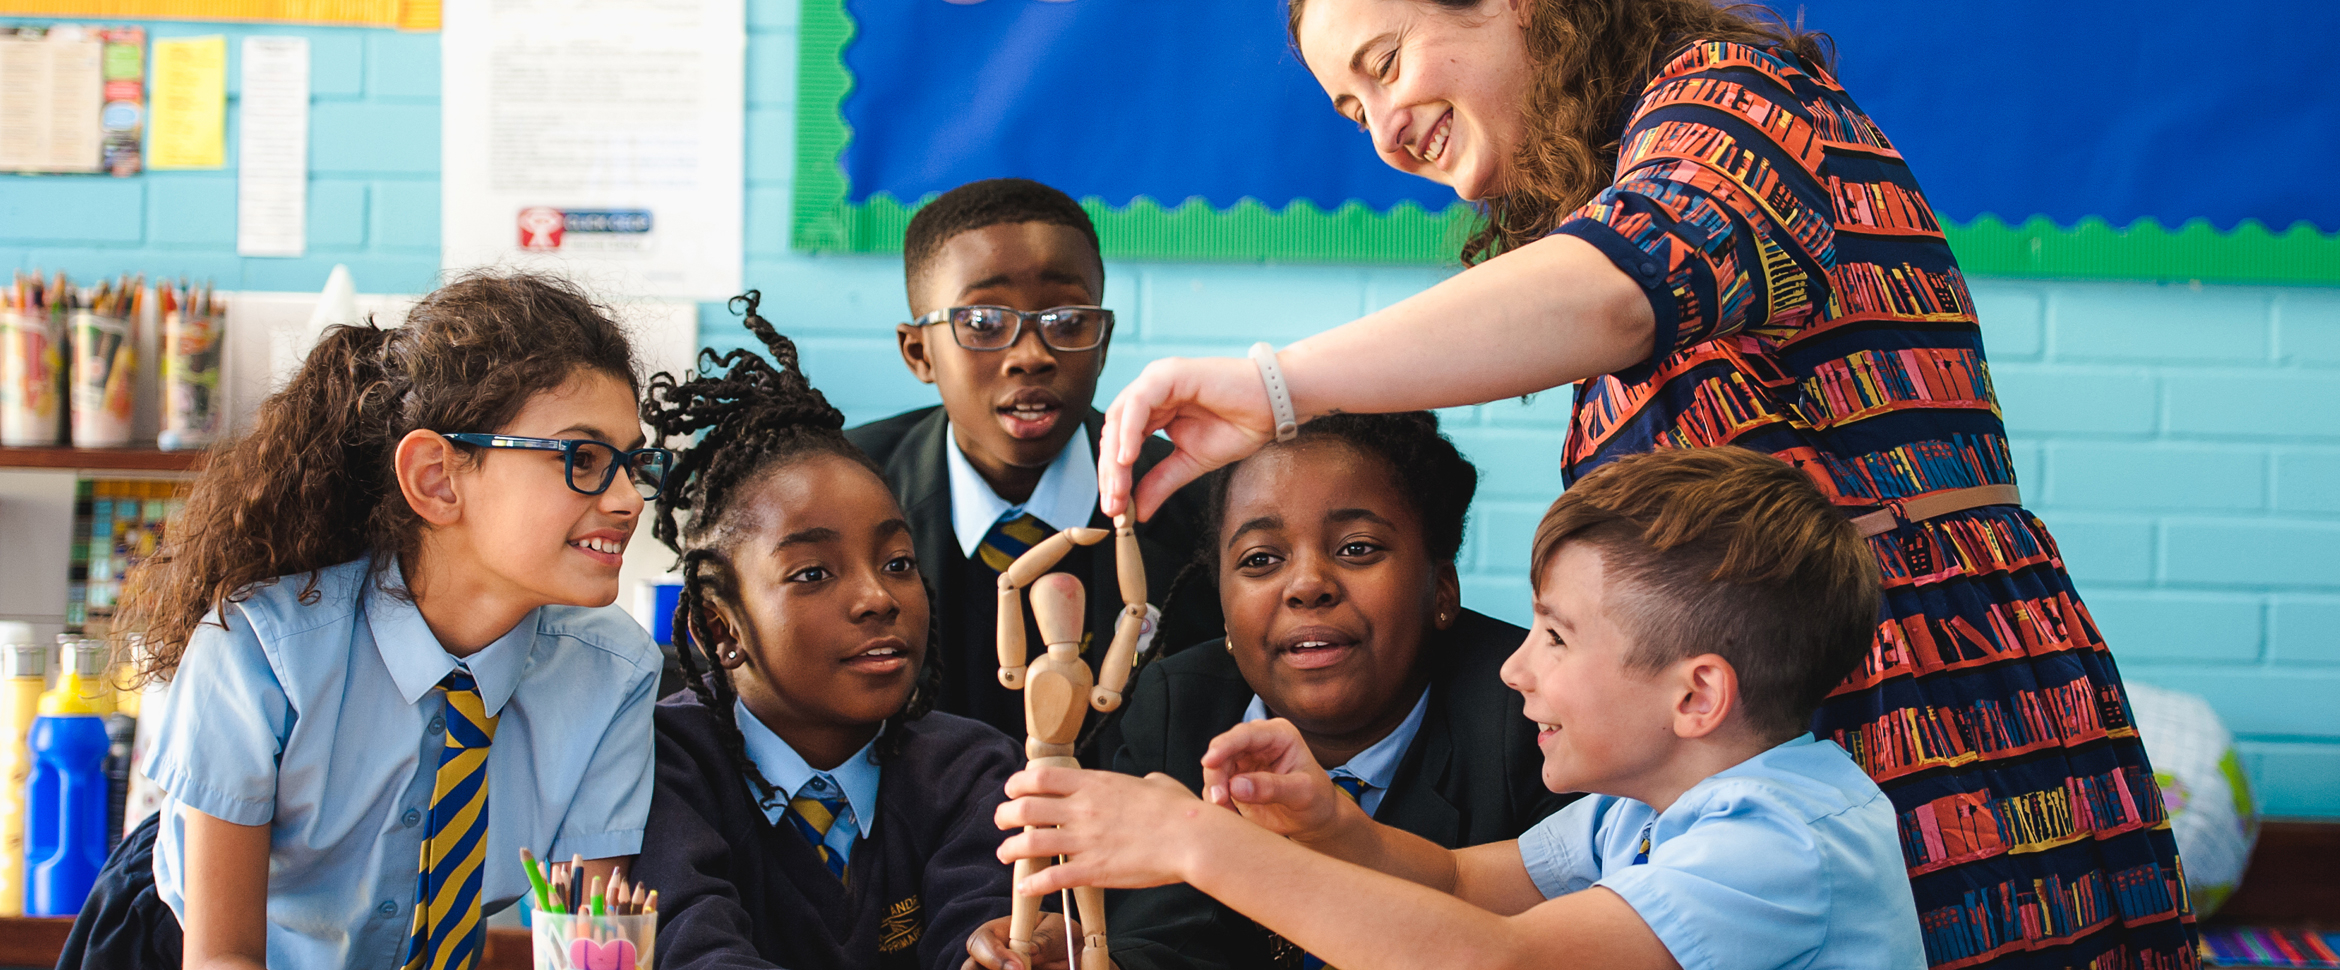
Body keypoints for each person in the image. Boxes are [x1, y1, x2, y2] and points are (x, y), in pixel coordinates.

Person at [1091, 2, 2197, 965]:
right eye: (1349, 109)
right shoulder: (1673, 801)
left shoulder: (1738, 102)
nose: (1382, 130)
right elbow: (1478, 891)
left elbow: (1628, 282)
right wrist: (1326, 829)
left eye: (1383, 65)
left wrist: (1276, 387)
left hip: (1917, 708)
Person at [994, 447, 1925, 970]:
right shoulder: (1637, 814)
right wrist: (1331, 824)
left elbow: (1499, 962)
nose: (1513, 669)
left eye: (1555, 638)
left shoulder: (1780, 843)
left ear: (1696, 696)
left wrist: (1201, 843)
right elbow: (1453, 883)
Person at [58, 273, 666, 970]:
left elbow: (589, 947)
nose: (626, 500)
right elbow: (222, 956)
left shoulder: (615, 672)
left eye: (632, 463)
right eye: (582, 459)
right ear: (437, 478)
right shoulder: (259, 651)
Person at [964, 412, 1574, 970]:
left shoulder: (1532, 717)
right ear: (1223, 607)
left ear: (1442, 590)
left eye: (1357, 548)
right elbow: (1168, 935)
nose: (1307, 585)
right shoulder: (1178, 704)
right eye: (1260, 560)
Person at [630, 293, 1022, 970]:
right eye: (812, 574)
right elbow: (693, 950)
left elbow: (979, 939)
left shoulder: (972, 772)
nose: (877, 597)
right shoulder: (661, 764)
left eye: (897, 562)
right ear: (718, 625)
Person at [848, 177, 1219, 749]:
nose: (1032, 356)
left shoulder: (1200, 508)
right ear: (919, 351)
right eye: (982, 323)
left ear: (1104, 341)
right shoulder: (846, 494)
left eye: (1069, 320)